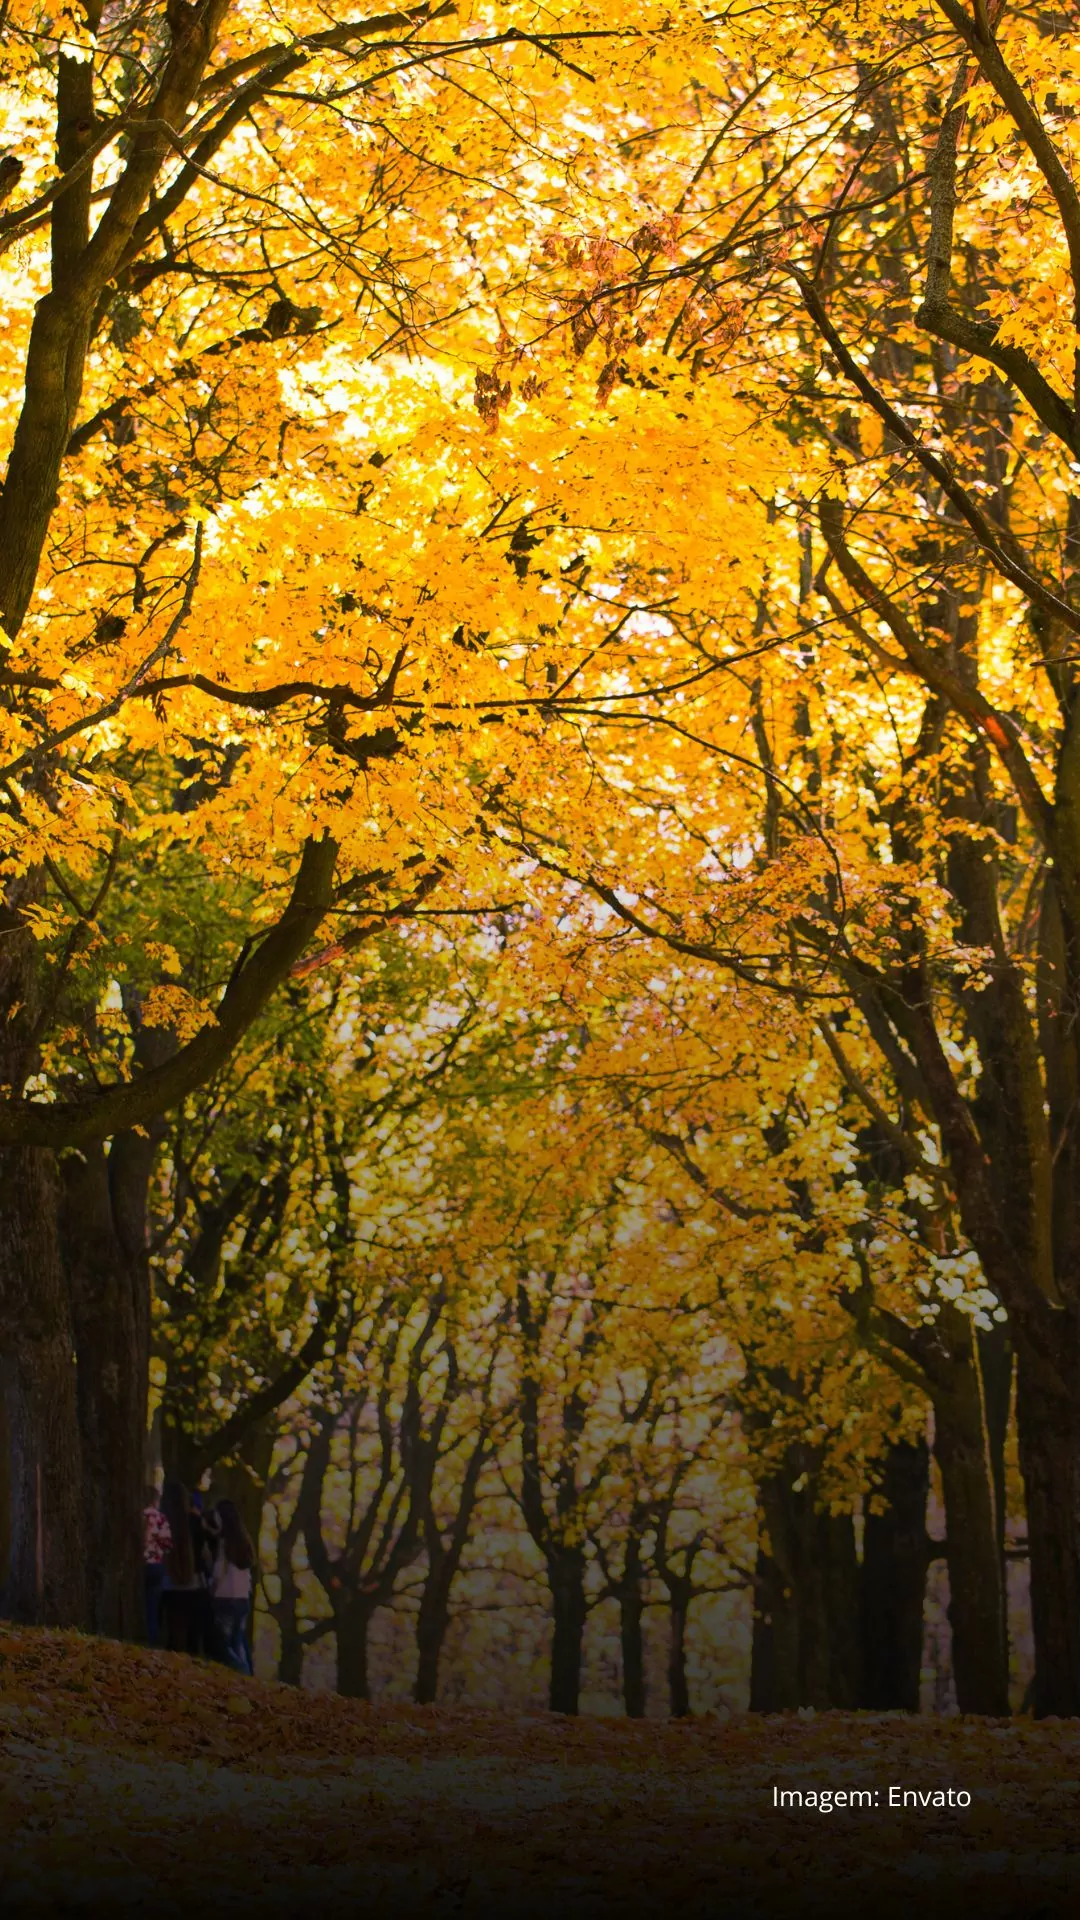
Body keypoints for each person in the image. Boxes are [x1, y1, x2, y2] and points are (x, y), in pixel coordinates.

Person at [159, 1479, 204, 1655]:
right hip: (193, 1582)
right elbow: (201, 1551)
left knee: (173, 1632)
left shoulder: (163, 1520)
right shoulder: (193, 1520)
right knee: (193, 1635)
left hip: (169, 1582)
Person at [210, 1498, 255, 1675]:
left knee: (223, 1643)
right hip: (243, 1598)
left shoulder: (224, 1542)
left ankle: (241, 1670)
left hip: (225, 1597)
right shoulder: (245, 1540)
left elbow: (218, 1572)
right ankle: (246, 1674)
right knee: (238, 1640)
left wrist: (212, 1589)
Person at [142, 1484, 172, 1648]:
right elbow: (168, 1544)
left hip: (139, 1565)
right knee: (153, 1607)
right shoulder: (160, 1518)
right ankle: (152, 1642)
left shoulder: (139, 1516)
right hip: (156, 1566)